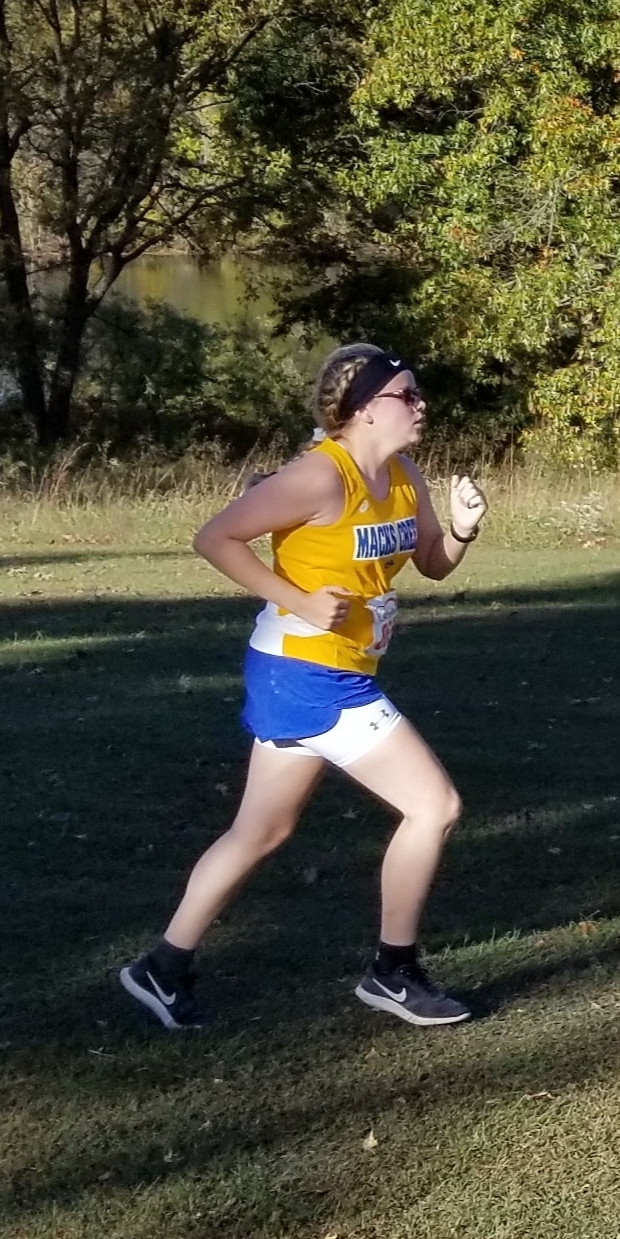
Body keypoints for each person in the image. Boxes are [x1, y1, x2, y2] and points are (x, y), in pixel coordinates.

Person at [119, 343, 488, 1029]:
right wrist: (297, 600)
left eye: (417, 393)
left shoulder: (404, 474)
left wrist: (463, 530)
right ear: (363, 409)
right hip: (307, 673)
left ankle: (160, 968)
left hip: (331, 669)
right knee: (433, 805)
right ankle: (393, 973)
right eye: (405, 395)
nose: (420, 405)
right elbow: (216, 538)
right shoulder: (318, 476)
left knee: (261, 830)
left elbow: (433, 563)